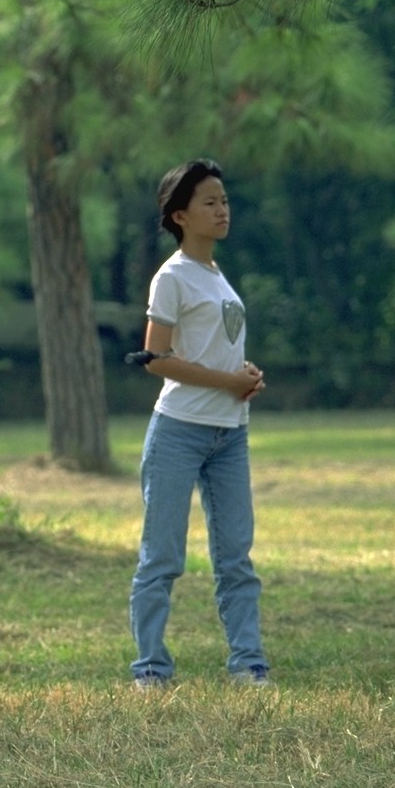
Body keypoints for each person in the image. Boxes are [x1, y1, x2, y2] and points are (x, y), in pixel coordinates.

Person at [129, 158, 270, 691]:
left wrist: (246, 375)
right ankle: (150, 669)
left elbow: (216, 349)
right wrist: (225, 381)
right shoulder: (172, 277)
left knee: (236, 557)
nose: (222, 209)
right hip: (180, 431)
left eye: (225, 200)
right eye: (210, 202)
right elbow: (156, 358)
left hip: (230, 433)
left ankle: (248, 663)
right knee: (162, 556)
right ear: (180, 215)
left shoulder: (215, 275)